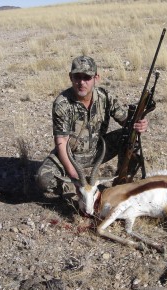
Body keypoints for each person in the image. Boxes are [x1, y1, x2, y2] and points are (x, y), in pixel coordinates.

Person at [36, 55, 148, 195]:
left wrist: (140, 124)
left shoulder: (105, 97)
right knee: (43, 178)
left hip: (99, 151)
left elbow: (127, 122)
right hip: (72, 156)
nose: (81, 82)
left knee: (130, 138)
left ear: (96, 78)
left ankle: (122, 182)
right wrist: (74, 177)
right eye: (77, 77)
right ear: (70, 77)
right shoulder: (62, 104)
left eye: (87, 77)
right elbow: (61, 142)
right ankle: (69, 192)